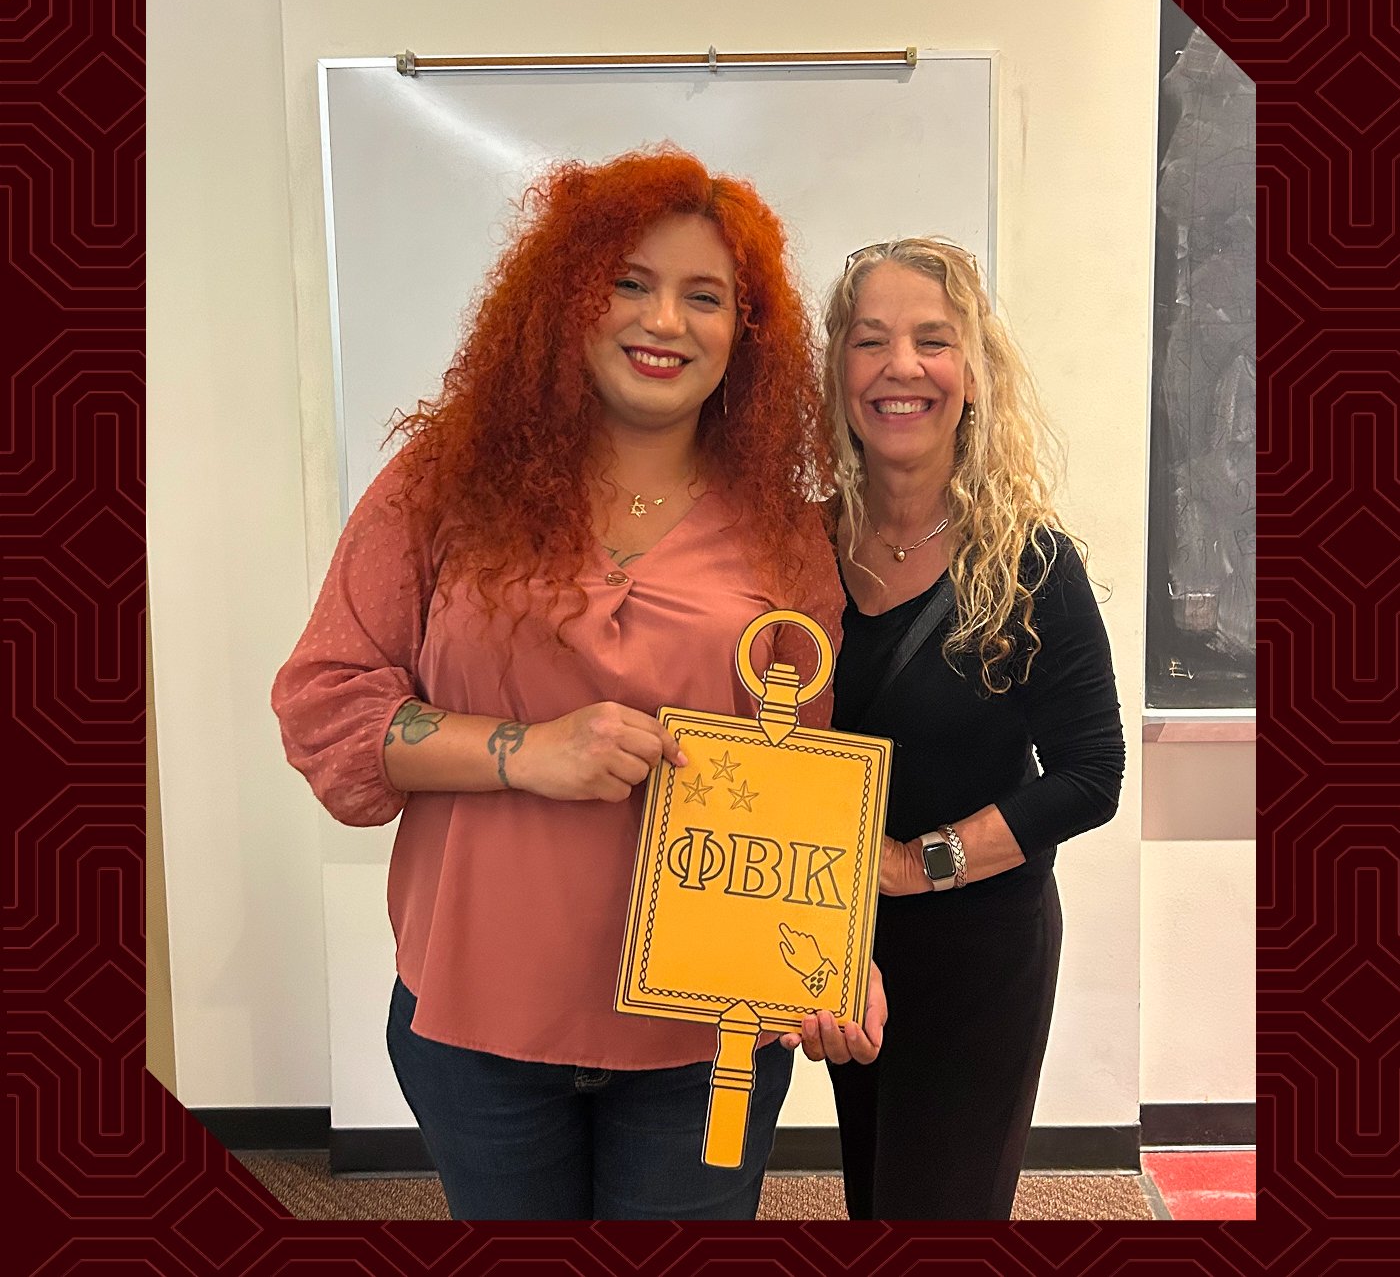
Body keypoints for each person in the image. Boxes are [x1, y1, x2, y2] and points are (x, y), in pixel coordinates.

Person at [271, 147, 884, 1221]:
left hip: (705, 1033)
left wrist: (835, 950)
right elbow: (326, 704)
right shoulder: (442, 483)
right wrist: (524, 752)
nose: (664, 321)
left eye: (705, 296)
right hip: (476, 1013)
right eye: (629, 282)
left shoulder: (784, 532)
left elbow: (801, 784)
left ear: (745, 331)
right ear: (566, 298)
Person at [791, 238, 1126, 1220]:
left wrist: (910, 865)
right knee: (874, 1195)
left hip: (981, 948)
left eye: (932, 341)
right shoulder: (796, 547)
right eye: (870, 341)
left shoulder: (1030, 562)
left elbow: (1090, 775)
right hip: (834, 940)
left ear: (973, 372)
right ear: (839, 372)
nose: (901, 366)